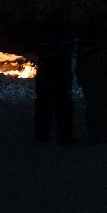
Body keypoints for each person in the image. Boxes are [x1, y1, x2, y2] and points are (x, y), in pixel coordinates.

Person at [75, 26, 107, 143]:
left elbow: (80, 59)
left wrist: (80, 75)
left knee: (98, 106)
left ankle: (99, 134)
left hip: (100, 75)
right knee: (102, 106)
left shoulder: (87, 38)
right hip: (100, 75)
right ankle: (104, 134)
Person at [34, 13, 76, 145]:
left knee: (44, 103)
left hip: (47, 73)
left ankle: (42, 134)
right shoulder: (65, 34)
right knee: (62, 104)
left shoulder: (43, 34)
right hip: (60, 73)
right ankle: (63, 135)